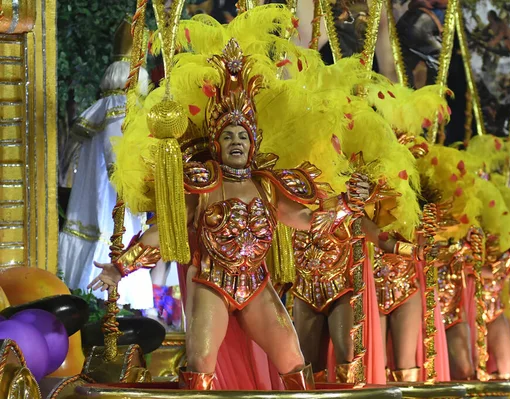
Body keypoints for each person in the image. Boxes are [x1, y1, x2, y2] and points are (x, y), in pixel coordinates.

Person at [88, 34, 409, 390]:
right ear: (217, 144)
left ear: (253, 142)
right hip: (213, 282)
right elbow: (169, 230)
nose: (236, 142)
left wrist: (348, 205)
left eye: (242, 135)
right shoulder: (204, 184)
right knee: (199, 361)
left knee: (292, 357)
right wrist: (122, 266)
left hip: (256, 286)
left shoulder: (268, 186)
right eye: (228, 136)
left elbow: (308, 221)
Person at [58, 19, 153, 311]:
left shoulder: (108, 104)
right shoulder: (120, 106)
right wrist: (138, 187)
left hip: (99, 195)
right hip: (113, 197)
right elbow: (117, 155)